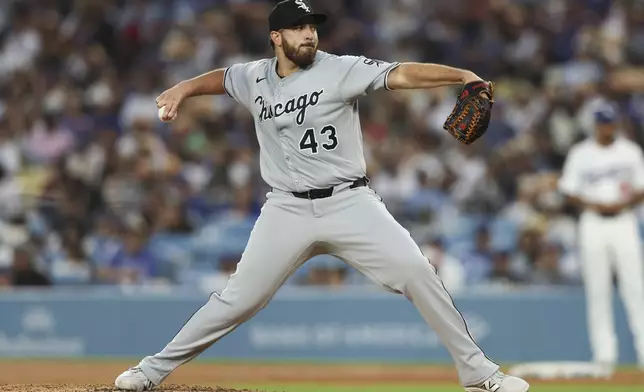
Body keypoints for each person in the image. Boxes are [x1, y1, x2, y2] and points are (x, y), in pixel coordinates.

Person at [115, 1, 530, 391]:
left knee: (417, 273)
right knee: (237, 301)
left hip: (349, 202)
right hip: (286, 207)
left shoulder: (341, 69)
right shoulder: (253, 77)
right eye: (298, 27)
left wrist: (460, 76)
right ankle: (150, 371)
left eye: (312, 26)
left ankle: (479, 375)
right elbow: (221, 78)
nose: (309, 34)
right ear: (276, 36)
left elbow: (401, 73)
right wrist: (181, 90)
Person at [558, 102, 644, 372]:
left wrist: (622, 203)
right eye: (602, 122)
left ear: (615, 123)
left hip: (624, 220)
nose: (606, 127)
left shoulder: (630, 151)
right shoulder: (581, 153)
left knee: (635, 289)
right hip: (593, 222)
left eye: (609, 122)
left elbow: (642, 186)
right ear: (595, 125)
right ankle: (604, 356)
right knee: (598, 290)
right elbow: (568, 189)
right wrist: (594, 204)